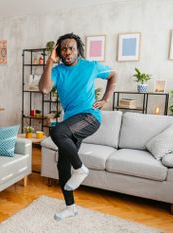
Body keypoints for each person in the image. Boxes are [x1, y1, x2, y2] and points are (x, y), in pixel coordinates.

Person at [39, 33, 117, 221]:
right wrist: (50, 61)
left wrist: (105, 99)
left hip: (90, 117)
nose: (67, 52)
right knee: (62, 165)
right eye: (63, 48)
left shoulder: (91, 66)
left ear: (77, 50)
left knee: (57, 131)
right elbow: (44, 88)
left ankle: (81, 169)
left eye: (71, 48)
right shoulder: (57, 71)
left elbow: (113, 75)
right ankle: (70, 207)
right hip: (71, 122)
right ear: (59, 52)